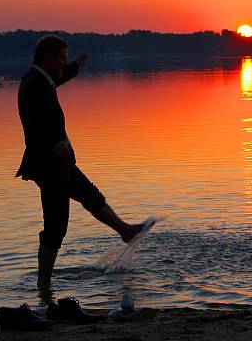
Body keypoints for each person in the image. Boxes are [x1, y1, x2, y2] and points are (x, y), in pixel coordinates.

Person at [16, 35, 153, 289]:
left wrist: (75, 67)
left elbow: (56, 80)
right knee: (55, 226)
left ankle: (125, 231)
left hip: (58, 161)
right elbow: (35, 122)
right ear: (47, 56)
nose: (62, 62)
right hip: (48, 163)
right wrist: (55, 145)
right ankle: (43, 286)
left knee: (90, 195)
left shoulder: (42, 80)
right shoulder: (34, 83)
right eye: (61, 57)